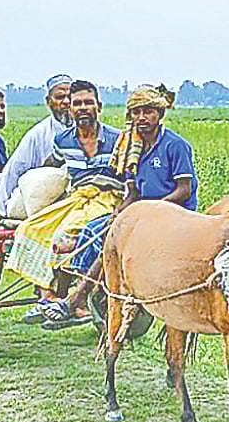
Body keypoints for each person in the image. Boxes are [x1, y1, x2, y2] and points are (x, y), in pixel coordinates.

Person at [42, 84, 198, 328]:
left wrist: (149, 209)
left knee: (111, 240)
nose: (142, 118)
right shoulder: (130, 147)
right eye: (136, 112)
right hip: (143, 213)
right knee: (95, 229)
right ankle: (79, 291)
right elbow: (133, 192)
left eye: (148, 112)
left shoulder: (173, 145)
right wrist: (120, 212)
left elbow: (184, 190)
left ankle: (77, 299)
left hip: (173, 215)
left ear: (160, 114)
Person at [3, 80, 124, 327]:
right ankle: (46, 295)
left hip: (107, 199)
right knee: (31, 228)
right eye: (77, 103)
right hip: (77, 198)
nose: (82, 108)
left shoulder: (117, 139)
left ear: (98, 106)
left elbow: (129, 175)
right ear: (70, 109)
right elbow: (51, 165)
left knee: (64, 235)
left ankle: (70, 298)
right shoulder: (63, 140)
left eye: (88, 102)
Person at [0, 74, 73, 219]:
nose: (66, 102)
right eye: (59, 97)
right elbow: (14, 169)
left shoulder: (87, 130)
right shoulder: (38, 134)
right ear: (48, 102)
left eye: (70, 97)